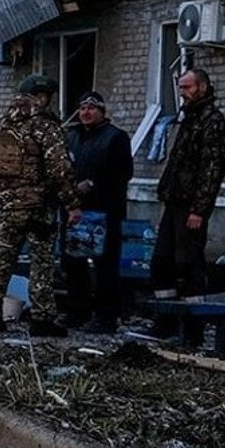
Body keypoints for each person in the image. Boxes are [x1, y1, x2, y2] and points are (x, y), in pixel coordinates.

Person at [0, 74, 82, 337]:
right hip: (39, 208)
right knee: (41, 262)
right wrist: (72, 203)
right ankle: (41, 318)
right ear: (42, 96)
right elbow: (60, 168)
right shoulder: (45, 127)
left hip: (7, 208)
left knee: (0, 259)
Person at [150, 68, 225, 348]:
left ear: (203, 88)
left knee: (188, 264)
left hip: (191, 206)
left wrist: (199, 209)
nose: (182, 93)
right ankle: (166, 320)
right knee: (162, 261)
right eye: (180, 87)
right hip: (174, 201)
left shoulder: (212, 121)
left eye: (187, 87)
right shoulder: (189, 119)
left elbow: (212, 169)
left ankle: (193, 330)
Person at [59, 91, 133, 334]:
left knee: (105, 266)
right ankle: (77, 311)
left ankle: (105, 317)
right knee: (73, 264)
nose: (86, 113)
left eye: (91, 108)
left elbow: (121, 174)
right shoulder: (72, 137)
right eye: (82, 108)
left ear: (102, 112)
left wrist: (92, 184)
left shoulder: (116, 138)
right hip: (76, 212)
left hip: (104, 212)